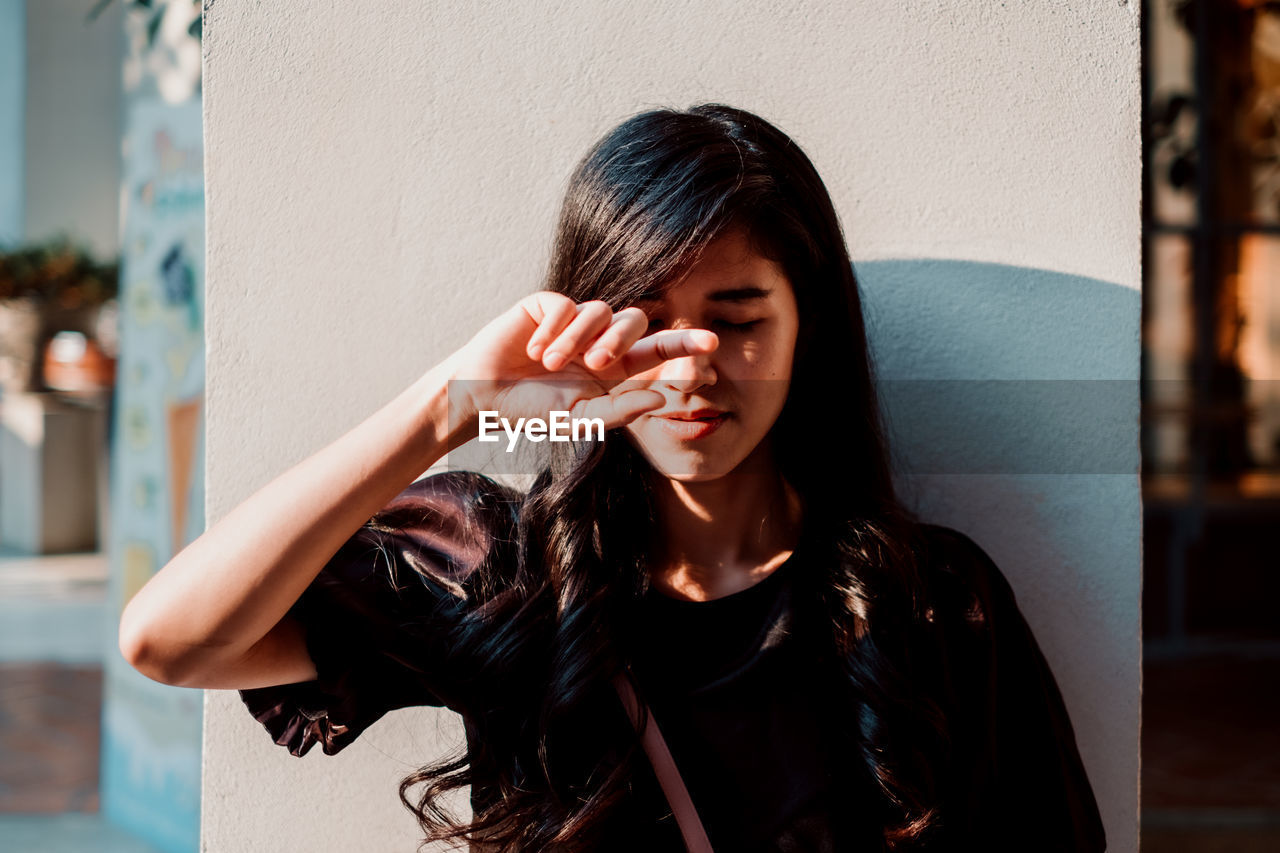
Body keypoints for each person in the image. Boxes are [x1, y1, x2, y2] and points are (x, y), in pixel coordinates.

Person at [119, 104, 1107, 852]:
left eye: (736, 317)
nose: (687, 368)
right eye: (643, 322)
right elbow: (168, 638)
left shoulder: (928, 602)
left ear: (810, 324)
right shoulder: (504, 575)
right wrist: (450, 405)